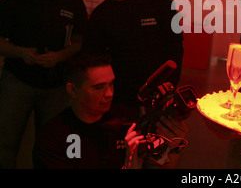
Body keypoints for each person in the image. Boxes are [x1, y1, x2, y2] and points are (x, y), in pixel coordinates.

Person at [0, 0, 88, 168]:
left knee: (51, 145)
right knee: (5, 143)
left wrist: (60, 56)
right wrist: (21, 53)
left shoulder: (73, 2)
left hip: (57, 86)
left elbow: (80, 41)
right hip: (17, 81)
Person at [33, 52, 188, 169]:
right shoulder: (52, 138)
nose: (109, 94)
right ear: (73, 90)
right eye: (99, 87)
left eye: (111, 84)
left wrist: (173, 147)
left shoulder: (129, 121)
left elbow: (160, 166)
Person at [83, 0, 183, 116]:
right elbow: (92, 59)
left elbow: (175, 46)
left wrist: (170, 86)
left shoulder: (158, 0)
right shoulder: (101, 15)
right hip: (120, 98)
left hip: (160, 93)